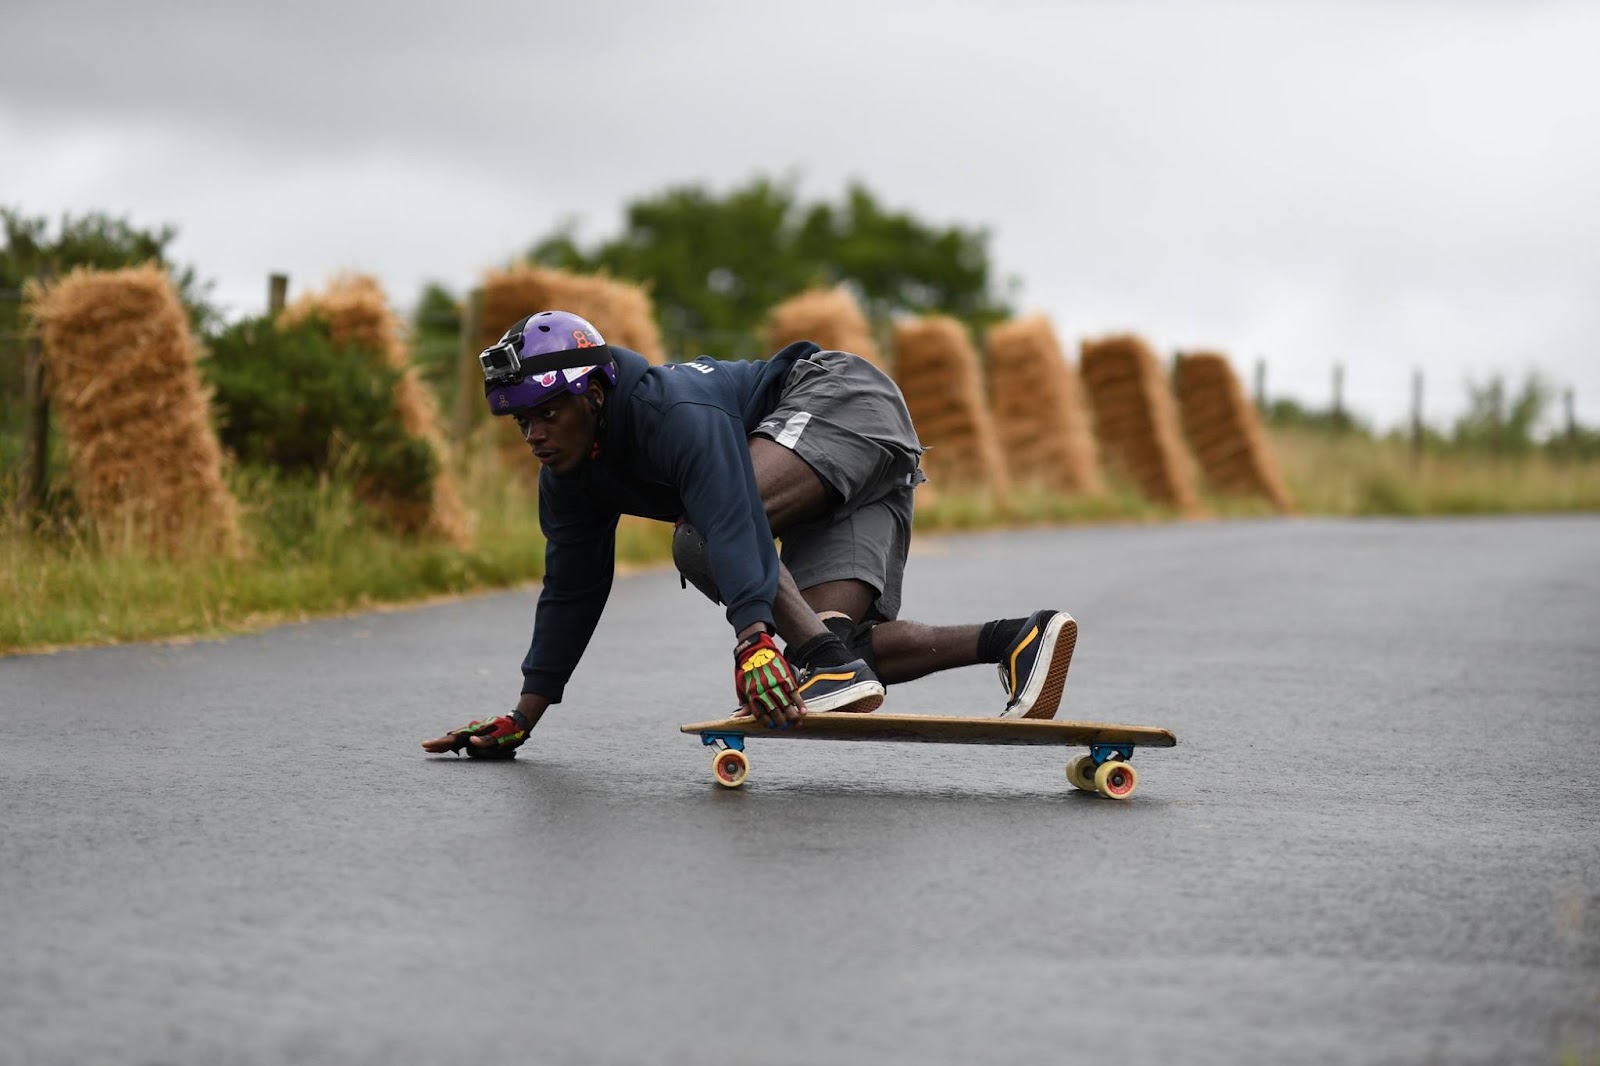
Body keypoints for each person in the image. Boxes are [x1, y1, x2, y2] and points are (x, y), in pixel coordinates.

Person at [422, 310, 1078, 759]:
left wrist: (751, 638)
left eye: (547, 412)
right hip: (837, 472)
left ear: (593, 394)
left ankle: (812, 655)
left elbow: (729, 514)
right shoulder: (569, 478)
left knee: (710, 534)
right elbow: (571, 591)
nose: (533, 433)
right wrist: (523, 718)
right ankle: (1017, 638)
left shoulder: (669, 410)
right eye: (520, 420)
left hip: (840, 401)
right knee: (836, 655)